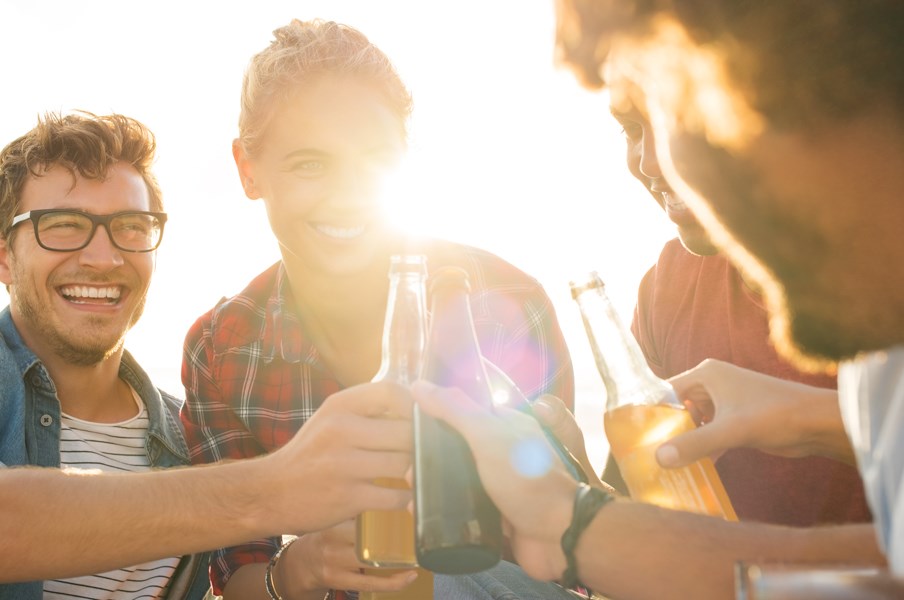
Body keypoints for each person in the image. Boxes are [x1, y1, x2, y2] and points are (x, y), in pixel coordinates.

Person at [411, 1, 904, 598]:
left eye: (687, 108)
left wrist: (579, 531)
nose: (657, 163)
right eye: (630, 126)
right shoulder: (679, 288)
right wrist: (578, 500)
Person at [178, 19, 575, 600]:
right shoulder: (225, 348)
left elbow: (570, 558)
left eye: (375, 158)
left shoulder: (506, 304)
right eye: (309, 163)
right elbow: (237, 575)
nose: (347, 193)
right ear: (247, 170)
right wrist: (302, 567)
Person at [0, 112, 413, 598]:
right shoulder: (231, 483)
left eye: (131, 226)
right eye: (64, 225)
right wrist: (274, 487)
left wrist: (301, 568)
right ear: (5, 256)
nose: (103, 257)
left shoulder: (187, 435)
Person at [605, 98, 870, 526]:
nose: (650, 164)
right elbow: (641, 511)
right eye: (632, 130)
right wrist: (570, 478)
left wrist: (806, 419)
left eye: (676, 123)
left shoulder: (881, 276)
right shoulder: (666, 286)